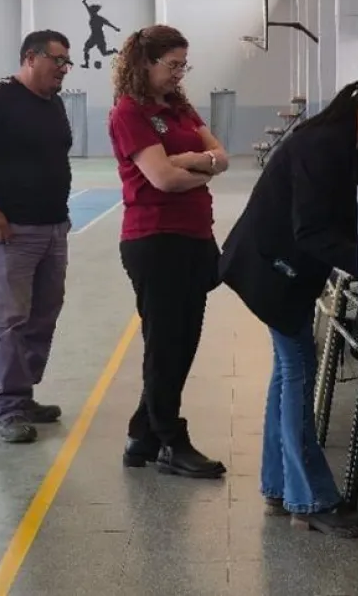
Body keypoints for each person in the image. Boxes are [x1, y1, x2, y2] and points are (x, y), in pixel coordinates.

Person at [218, 66, 358, 537]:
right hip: (271, 269)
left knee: (288, 372)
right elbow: (311, 232)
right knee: (298, 369)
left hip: (285, 269)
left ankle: (279, 484)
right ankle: (310, 497)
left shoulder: (349, 145)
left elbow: (342, 218)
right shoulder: (321, 144)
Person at [108, 25, 230, 479]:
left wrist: (185, 162)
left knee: (183, 341)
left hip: (196, 236)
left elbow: (221, 155)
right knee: (166, 344)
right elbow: (162, 180)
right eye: (172, 65)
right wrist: (195, 165)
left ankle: (142, 435)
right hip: (154, 240)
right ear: (145, 63)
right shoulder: (128, 112)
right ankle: (169, 441)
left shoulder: (178, 106)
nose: (179, 74)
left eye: (184, 65)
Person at [0, 30, 75, 444]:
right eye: (57, 60)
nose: (63, 69)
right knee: (10, 318)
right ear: (30, 57)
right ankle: (6, 405)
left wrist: (61, 219)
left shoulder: (53, 104)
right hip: (11, 228)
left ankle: (22, 394)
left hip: (53, 226)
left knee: (44, 313)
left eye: (66, 62)